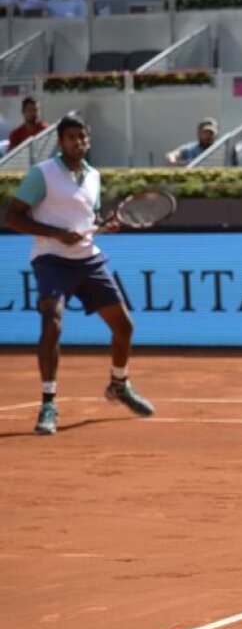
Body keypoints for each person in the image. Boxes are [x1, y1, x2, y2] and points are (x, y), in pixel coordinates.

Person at [3, 115, 155, 435]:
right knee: (52, 322)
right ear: (60, 142)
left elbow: (89, 217)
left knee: (124, 327)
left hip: (88, 260)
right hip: (51, 259)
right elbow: (12, 217)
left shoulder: (94, 176)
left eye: (82, 137)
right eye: (71, 137)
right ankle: (48, 402)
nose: (78, 142)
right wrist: (56, 234)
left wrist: (104, 225)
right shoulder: (42, 174)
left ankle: (119, 384)